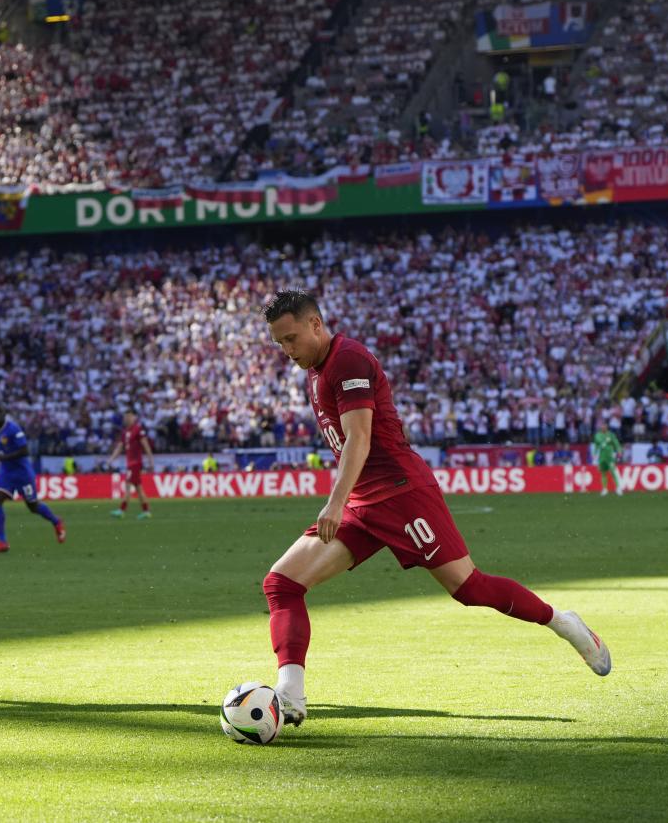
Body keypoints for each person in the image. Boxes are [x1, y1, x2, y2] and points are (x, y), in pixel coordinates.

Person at [259, 290, 610, 728]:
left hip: (402, 495)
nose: (287, 351)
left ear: (315, 324)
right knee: (282, 583)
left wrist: (334, 501)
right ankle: (290, 695)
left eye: (291, 338)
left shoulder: (348, 360)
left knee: (470, 589)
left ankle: (564, 622)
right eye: (279, 343)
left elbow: (360, 440)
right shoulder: (316, 370)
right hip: (363, 503)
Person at [0, 406, 66, 554]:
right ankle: (2, 541)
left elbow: (24, 451)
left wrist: (1, 458)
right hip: (6, 472)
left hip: (22, 473)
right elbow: (2, 450)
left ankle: (56, 521)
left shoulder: (13, 428)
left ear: (4, 414)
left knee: (33, 506)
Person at [108, 410, 155, 519]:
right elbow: (120, 447)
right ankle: (146, 511)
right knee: (138, 488)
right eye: (125, 417)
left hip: (135, 463)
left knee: (128, 486)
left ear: (134, 417)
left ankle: (121, 510)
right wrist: (111, 459)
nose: (127, 419)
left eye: (129, 416)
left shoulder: (138, 430)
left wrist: (151, 460)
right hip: (130, 463)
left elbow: (146, 445)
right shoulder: (125, 432)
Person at [593, 427, 624, 496]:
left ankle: (618, 488)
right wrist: (594, 453)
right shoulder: (597, 435)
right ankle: (604, 489)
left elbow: (616, 443)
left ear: (607, 427)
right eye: (602, 425)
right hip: (602, 457)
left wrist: (619, 450)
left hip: (610, 457)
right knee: (603, 473)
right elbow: (596, 445)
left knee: (613, 472)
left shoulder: (611, 435)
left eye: (605, 425)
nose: (603, 427)